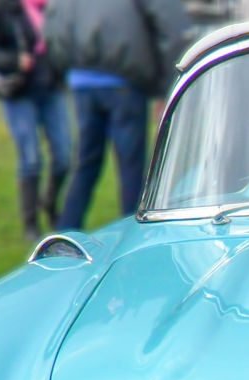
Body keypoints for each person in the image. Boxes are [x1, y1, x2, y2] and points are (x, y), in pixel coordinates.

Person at [44, 0, 191, 231]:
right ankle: (133, 233)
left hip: (82, 81)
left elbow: (53, 28)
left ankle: (65, 231)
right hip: (124, 81)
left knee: (85, 162)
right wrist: (168, 87)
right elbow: (172, 28)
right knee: (131, 166)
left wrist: (66, 69)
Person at [0, 0, 70, 242]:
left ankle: (49, 204)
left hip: (51, 89)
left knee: (64, 156)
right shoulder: (1, 8)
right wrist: (13, 61)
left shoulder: (51, 8)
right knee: (30, 159)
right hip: (20, 92)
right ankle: (31, 224)